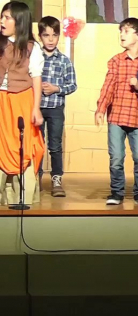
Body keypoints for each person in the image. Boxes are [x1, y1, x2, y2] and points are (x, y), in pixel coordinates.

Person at [95, 18, 138, 205]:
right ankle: (116, 192)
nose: (122, 35)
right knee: (116, 157)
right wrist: (101, 108)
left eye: (126, 31)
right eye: (121, 31)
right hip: (116, 116)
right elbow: (108, 87)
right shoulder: (116, 61)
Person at [0, 1, 45, 206]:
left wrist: (36, 108)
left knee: (24, 144)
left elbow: (36, 78)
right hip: (1, 99)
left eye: (7, 17)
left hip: (22, 100)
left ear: (19, 21)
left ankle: (23, 197)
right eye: (2, 16)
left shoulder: (31, 47)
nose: (2, 21)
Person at [37, 16, 77, 197]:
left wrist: (56, 88)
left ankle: (56, 179)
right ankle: (35, 178)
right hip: (36, 108)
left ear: (59, 36)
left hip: (55, 108)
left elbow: (72, 85)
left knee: (55, 145)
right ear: (40, 37)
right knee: (37, 145)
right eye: (46, 35)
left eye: (54, 35)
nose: (51, 39)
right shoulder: (35, 58)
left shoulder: (64, 61)